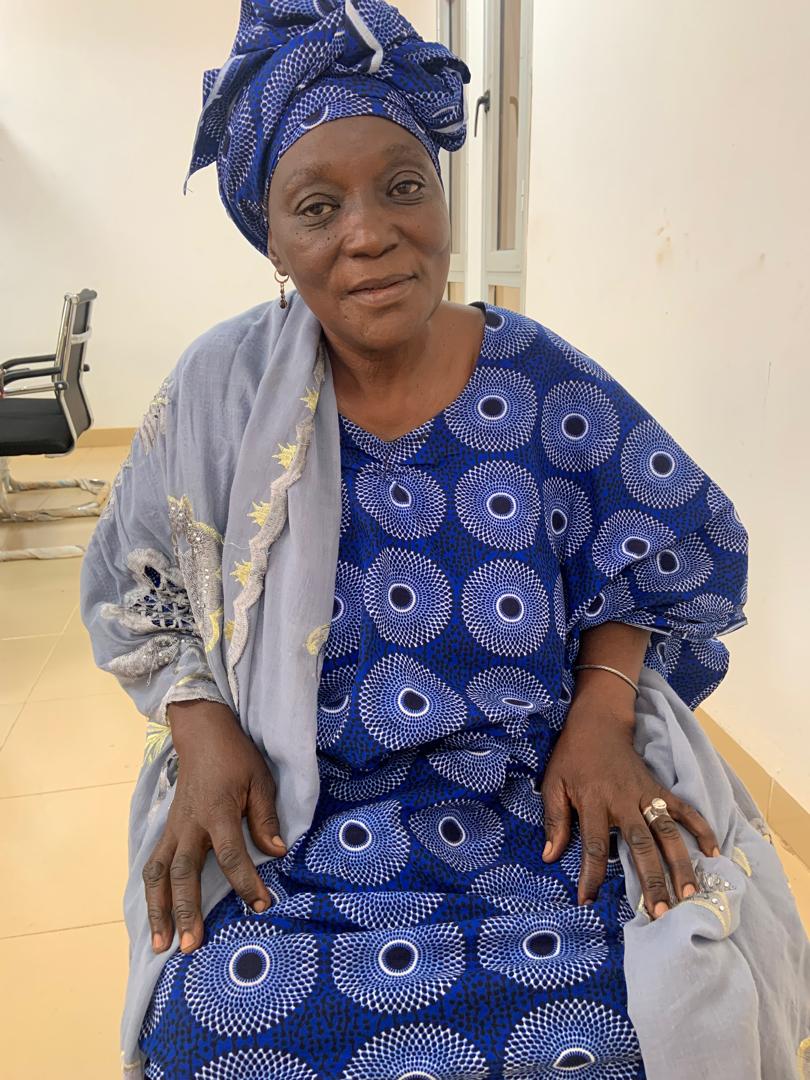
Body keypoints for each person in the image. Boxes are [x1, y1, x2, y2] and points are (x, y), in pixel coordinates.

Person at [80, 2, 809, 1077]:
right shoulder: (220, 393)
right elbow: (133, 589)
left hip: (532, 810)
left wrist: (603, 713)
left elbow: (662, 553)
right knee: (211, 1028)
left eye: (403, 186)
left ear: (442, 196)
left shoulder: (540, 377)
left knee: (646, 1013)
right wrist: (199, 725)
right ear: (271, 240)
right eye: (317, 206)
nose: (370, 232)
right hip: (304, 820)